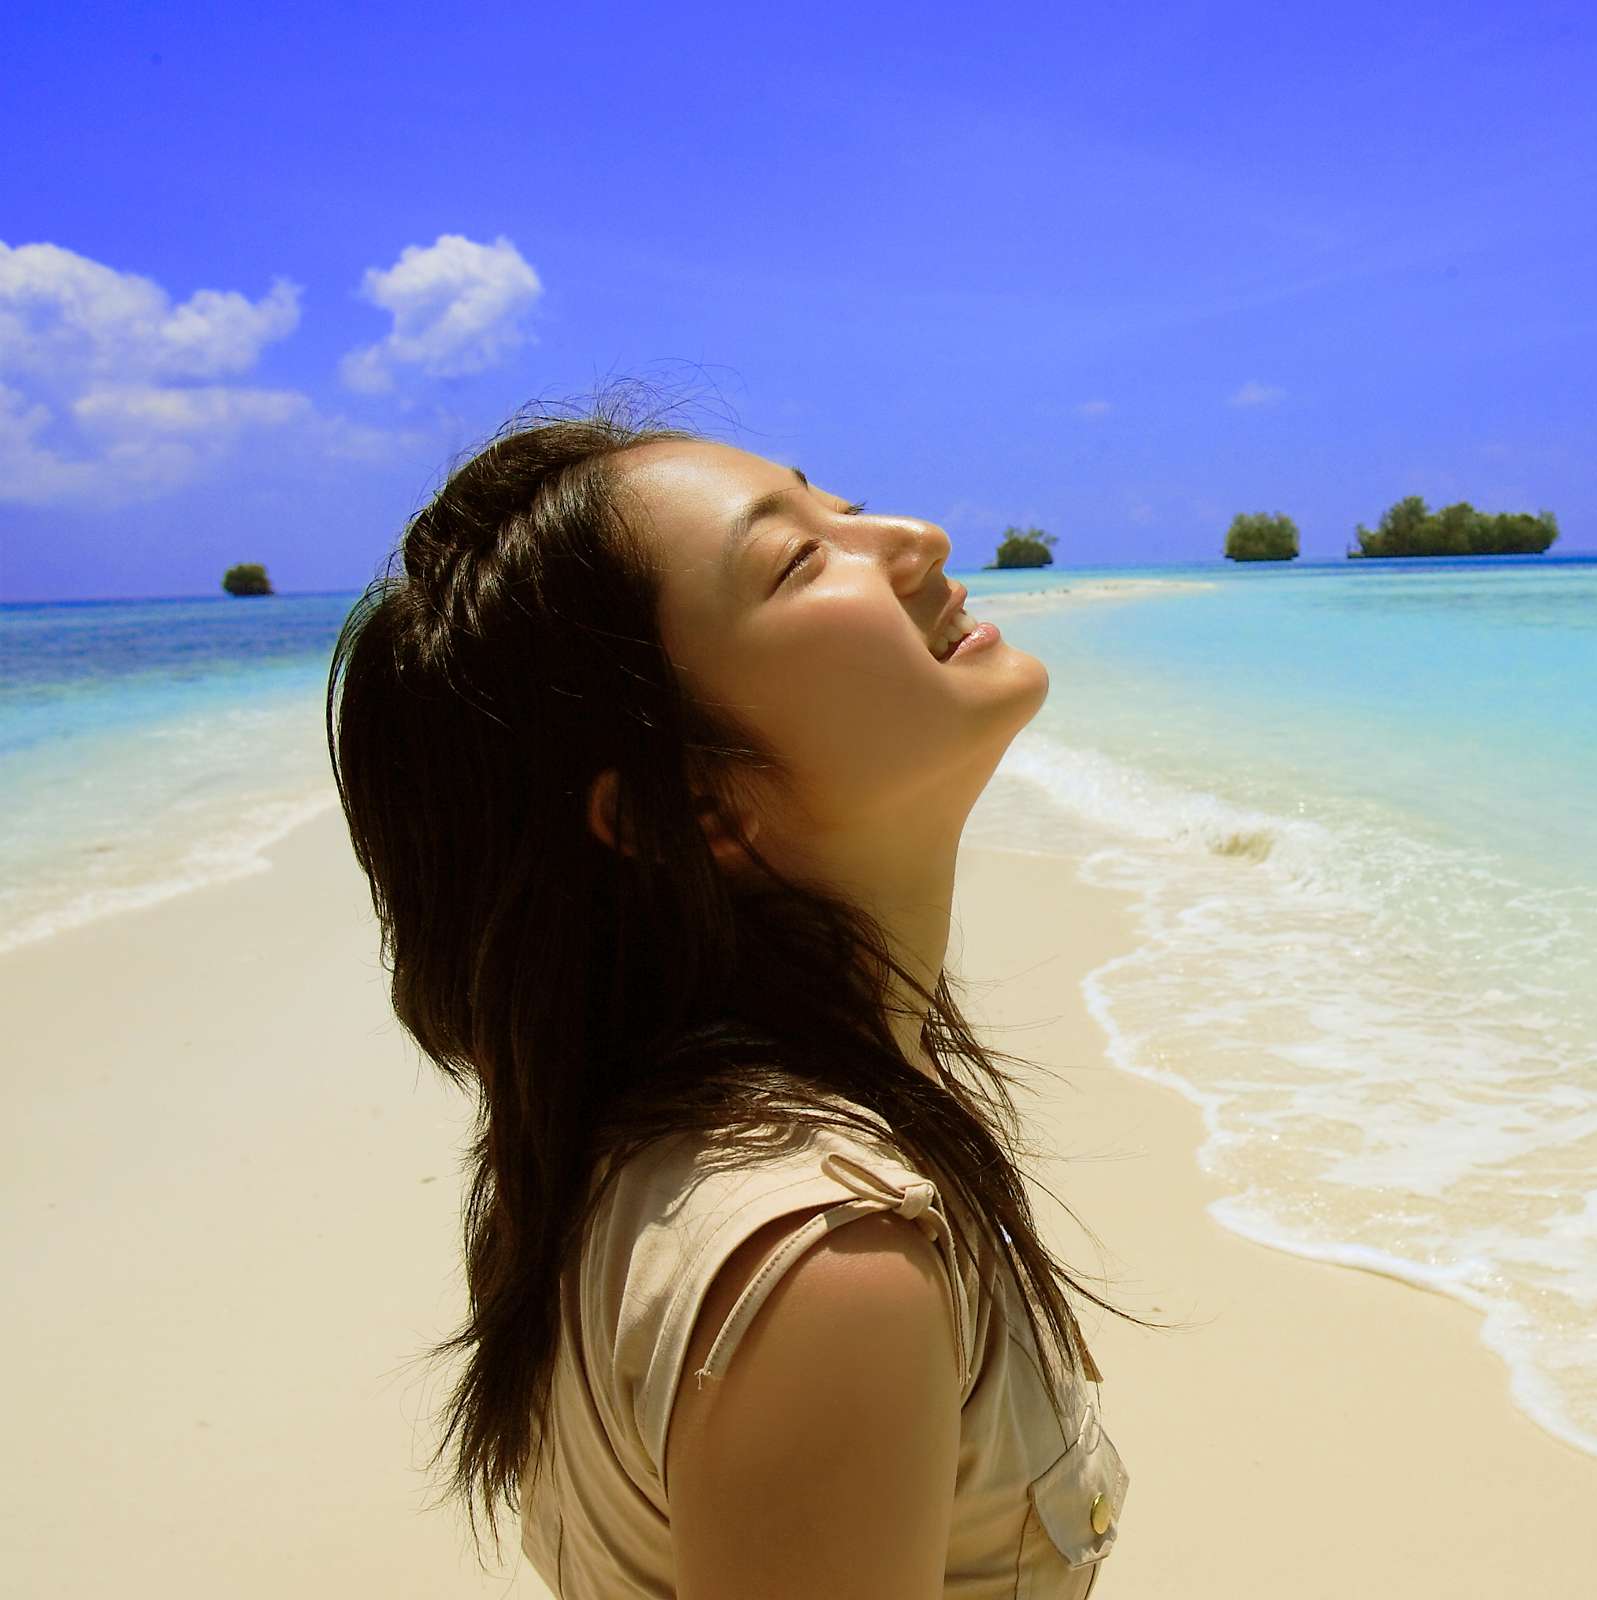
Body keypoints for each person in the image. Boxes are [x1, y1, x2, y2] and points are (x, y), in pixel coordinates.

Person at [325, 388, 1139, 1598]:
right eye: (799, 561)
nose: (915, 540)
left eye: (843, 506)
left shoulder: (602, 1137)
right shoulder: (828, 1270)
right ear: (691, 805)